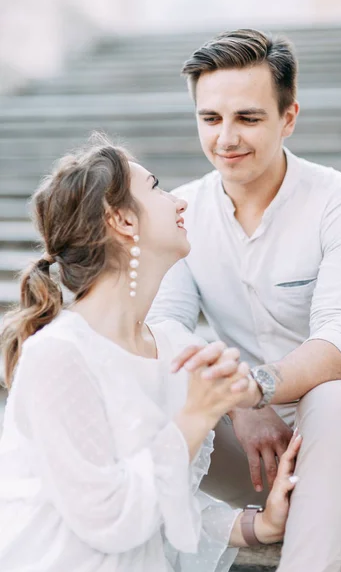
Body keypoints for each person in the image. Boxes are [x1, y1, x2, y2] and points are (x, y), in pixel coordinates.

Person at [148, 29, 341, 572]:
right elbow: (162, 327)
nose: (227, 138)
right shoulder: (180, 211)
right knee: (147, 390)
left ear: (288, 118)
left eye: (249, 118)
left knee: (332, 400)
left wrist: (252, 390)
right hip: (253, 453)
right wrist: (237, 403)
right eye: (210, 119)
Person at [0, 135, 302, 572]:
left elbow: (165, 502)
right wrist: (196, 417)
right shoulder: (58, 355)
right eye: (157, 187)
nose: (178, 202)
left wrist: (256, 525)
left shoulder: (177, 349)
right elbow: (110, 518)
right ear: (121, 220)